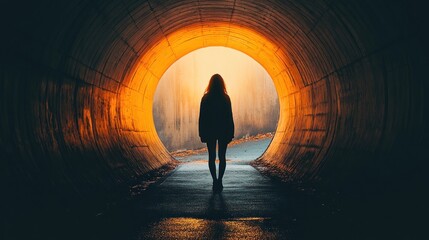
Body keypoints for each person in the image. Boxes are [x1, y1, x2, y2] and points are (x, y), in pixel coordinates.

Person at [199, 74, 234, 191]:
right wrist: (231, 132)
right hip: (223, 130)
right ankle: (220, 181)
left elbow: (202, 117)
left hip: (210, 131)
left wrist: (201, 133)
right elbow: (229, 116)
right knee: (222, 157)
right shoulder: (225, 98)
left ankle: (214, 180)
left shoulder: (206, 98)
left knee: (211, 157)